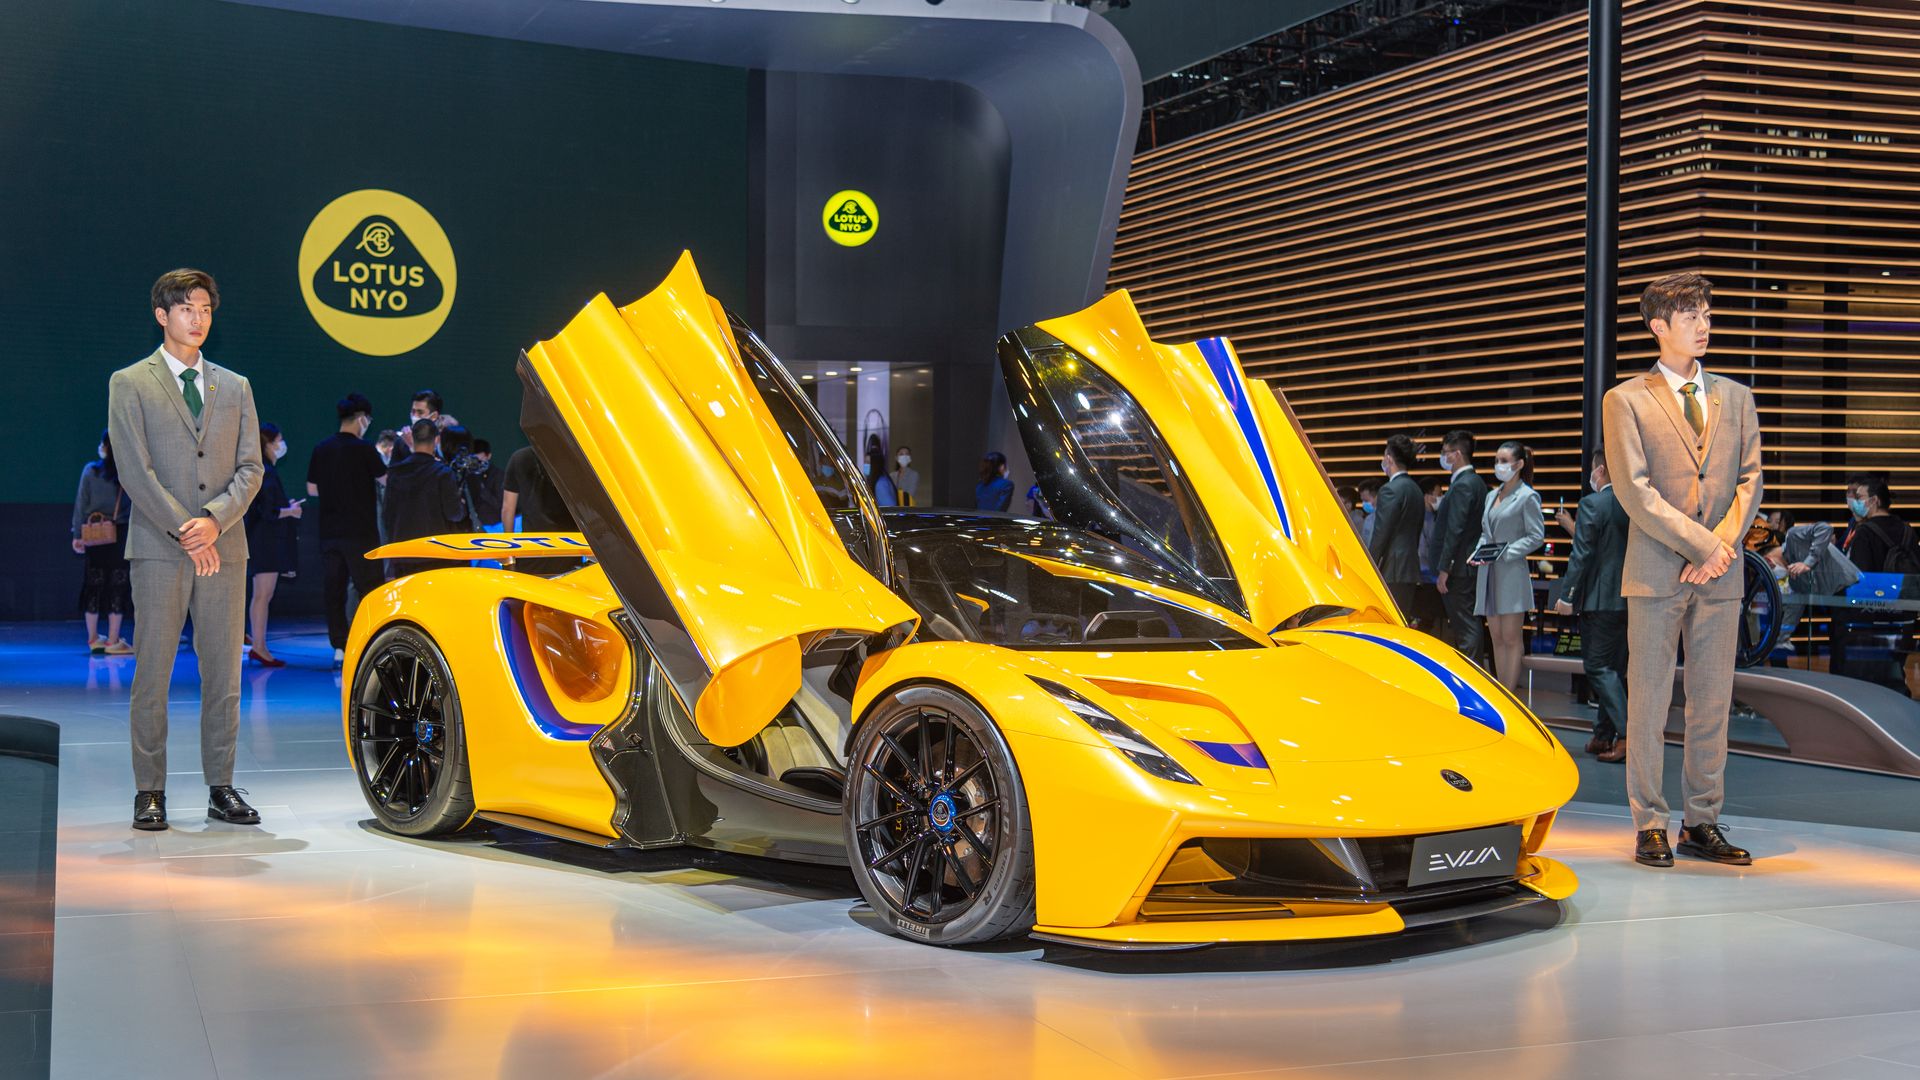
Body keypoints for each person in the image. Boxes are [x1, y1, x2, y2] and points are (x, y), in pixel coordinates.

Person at [1603, 271, 1763, 869]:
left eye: (1706, 313)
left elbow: (1751, 481)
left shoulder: (1737, 396)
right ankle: (1650, 822)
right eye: (1691, 315)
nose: (1704, 324)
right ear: (1658, 327)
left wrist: (1721, 547)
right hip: (1655, 572)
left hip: (1721, 575)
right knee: (1647, 700)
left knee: (1711, 701)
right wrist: (1702, 545)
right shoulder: (1625, 399)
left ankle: (1703, 820)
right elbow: (1634, 490)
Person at [106, 268, 264, 830]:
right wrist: (186, 529)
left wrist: (215, 522)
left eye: (205, 309)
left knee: (224, 675)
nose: (197, 319)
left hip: (226, 548)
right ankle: (149, 792)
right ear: (161, 315)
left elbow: (252, 467)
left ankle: (221, 786)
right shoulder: (129, 382)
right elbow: (134, 471)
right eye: (186, 309)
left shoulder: (236, 386)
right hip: (157, 548)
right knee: (153, 672)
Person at [1553, 453, 1630, 762]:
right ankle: (1603, 736)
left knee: (1598, 667)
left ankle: (1626, 737)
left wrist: (1567, 595)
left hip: (1599, 598)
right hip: (1631, 598)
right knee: (1617, 669)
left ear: (1599, 469)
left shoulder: (1592, 504)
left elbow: (1582, 554)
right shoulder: (1634, 502)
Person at [307, 393, 387, 667]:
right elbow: (385, 479)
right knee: (370, 589)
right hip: (361, 533)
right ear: (363, 419)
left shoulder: (321, 448)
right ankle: (372, 640)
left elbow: (311, 489)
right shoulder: (365, 449)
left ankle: (339, 647)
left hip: (329, 532)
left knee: (334, 590)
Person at [1473, 441, 1543, 691]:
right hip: (1489, 572)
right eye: (1497, 460)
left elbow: (1536, 536)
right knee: (1496, 638)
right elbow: (1485, 532)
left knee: (1511, 638)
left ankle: (1510, 695)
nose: (1499, 466)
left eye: (1504, 461)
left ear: (1519, 464)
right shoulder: (1492, 495)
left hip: (1512, 572)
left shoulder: (1527, 496)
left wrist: (1506, 552)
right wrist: (1479, 552)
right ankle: (1502, 692)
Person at [242, 422, 302, 667]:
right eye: (278, 440)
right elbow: (268, 512)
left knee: (261, 595)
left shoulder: (264, 471)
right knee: (262, 596)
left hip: (262, 541)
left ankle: (259, 644)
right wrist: (290, 511)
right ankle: (259, 646)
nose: (281, 444)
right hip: (265, 542)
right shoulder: (267, 472)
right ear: (268, 443)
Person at [71, 429, 134, 655]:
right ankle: (114, 640)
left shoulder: (90, 471)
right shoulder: (127, 475)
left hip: (95, 534)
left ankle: (93, 639)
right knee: (118, 586)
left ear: (104, 447)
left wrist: (77, 534)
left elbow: (81, 504)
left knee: (93, 586)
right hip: (120, 535)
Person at [1430, 430, 1490, 664]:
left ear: (1456, 454)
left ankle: (1471, 676)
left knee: (1465, 626)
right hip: (1465, 566)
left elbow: (1455, 529)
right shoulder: (1473, 482)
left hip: (1459, 569)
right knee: (1467, 624)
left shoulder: (1464, 485)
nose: (1443, 458)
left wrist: (1445, 568)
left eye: (1445, 453)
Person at [383, 420, 467, 579]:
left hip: (403, 553)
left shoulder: (395, 472)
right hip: (435, 554)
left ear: (412, 439)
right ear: (436, 439)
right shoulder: (442, 473)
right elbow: (454, 514)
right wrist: (461, 506)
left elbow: (387, 513)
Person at [1764, 514, 1860, 647]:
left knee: (1847, 644)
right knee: (1838, 645)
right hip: (1834, 598)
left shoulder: (1793, 537)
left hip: (1851, 586)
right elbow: (1795, 608)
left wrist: (1808, 562)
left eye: (1770, 567)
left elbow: (1825, 528)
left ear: (1769, 560)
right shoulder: (1794, 576)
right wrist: (1780, 639)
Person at [502, 445, 584, 575]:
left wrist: (509, 551)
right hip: (568, 548)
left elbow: (508, 508)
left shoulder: (519, 457)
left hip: (533, 548)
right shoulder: (572, 457)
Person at [1368, 434, 1424, 616]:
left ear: (1389, 458)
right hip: (1410, 566)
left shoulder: (1390, 490)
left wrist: (1369, 566)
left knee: (1387, 624)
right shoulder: (1416, 489)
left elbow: (1381, 534)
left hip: (1392, 568)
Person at [471, 438, 506, 528]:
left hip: (495, 525)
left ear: (488, 456)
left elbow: (500, 504)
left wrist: (481, 488)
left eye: (480, 460)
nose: (477, 464)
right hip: (474, 525)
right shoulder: (469, 475)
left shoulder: (498, 475)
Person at [1355, 479, 1381, 546]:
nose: (1364, 504)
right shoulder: (1368, 519)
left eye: (1366, 500)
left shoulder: (1388, 518)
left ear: (1377, 497)